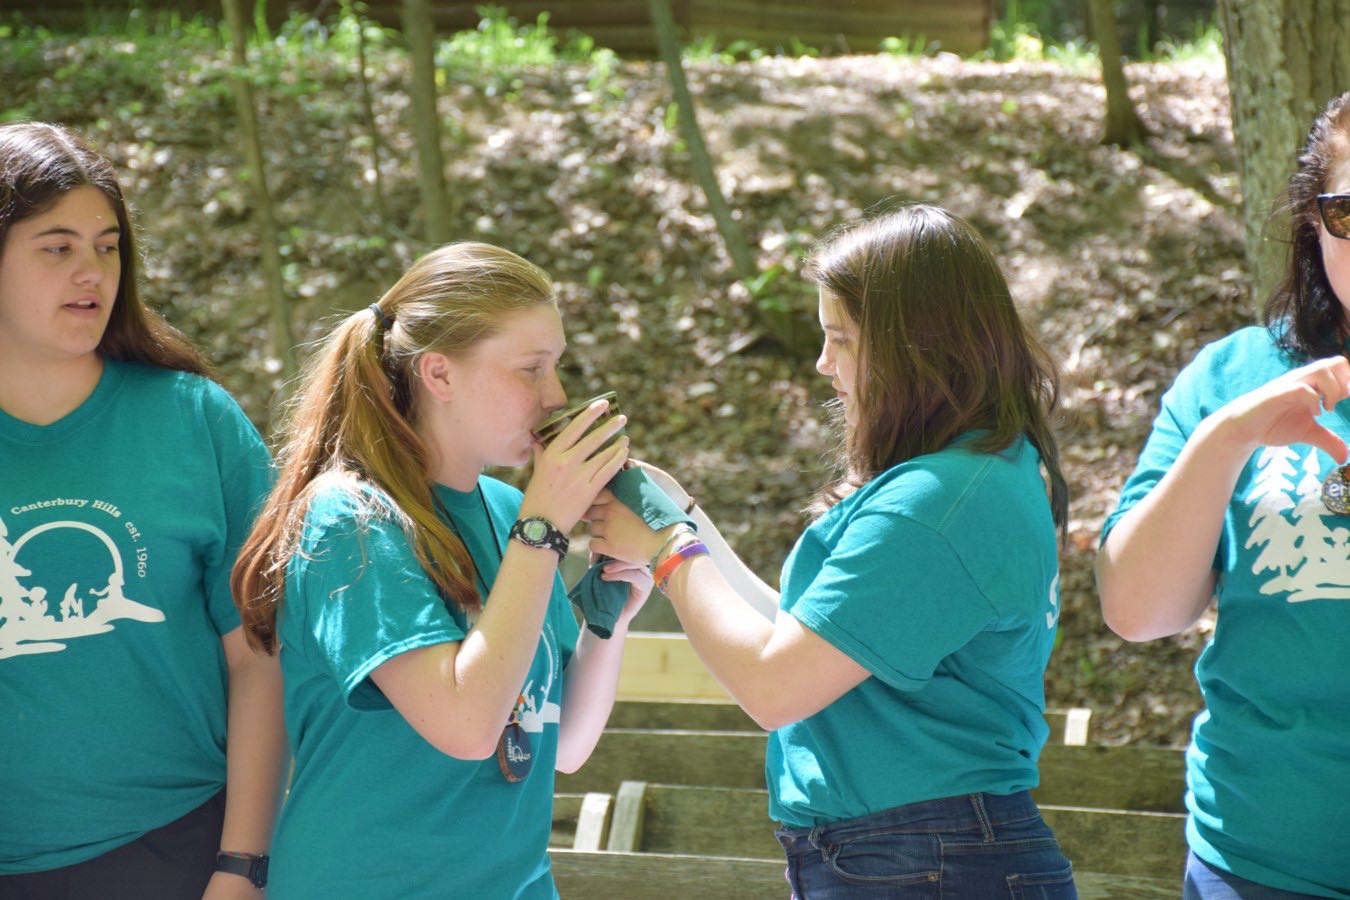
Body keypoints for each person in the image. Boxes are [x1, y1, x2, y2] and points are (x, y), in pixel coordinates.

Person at [589, 204, 1076, 897]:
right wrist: (688, 520)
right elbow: (802, 639)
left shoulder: (937, 506)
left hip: (927, 861)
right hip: (917, 855)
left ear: (920, 348)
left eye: (841, 339)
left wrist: (671, 552)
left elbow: (774, 685)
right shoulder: (971, 477)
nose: (822, 364)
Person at [231, 241, 651, 899]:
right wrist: (542, 532)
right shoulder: (353, 520)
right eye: (530, 369)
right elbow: (466, 727)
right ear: (440, 374)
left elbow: (561, 745)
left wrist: (610, 620)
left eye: (557, 366)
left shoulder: (508, 511)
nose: (557, 395)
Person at [0, 122, 284, 898]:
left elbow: (261, 658)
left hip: (174, 854)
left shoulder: (195, 421)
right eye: (56, 247)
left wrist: (242, 867)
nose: (92, 271)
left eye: (107, 245)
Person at [1097, 91, 1350, 899]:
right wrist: (1224, 440)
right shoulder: (1233, 378)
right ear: (1315, 221)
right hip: (1261, 861)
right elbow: (1140, 611)